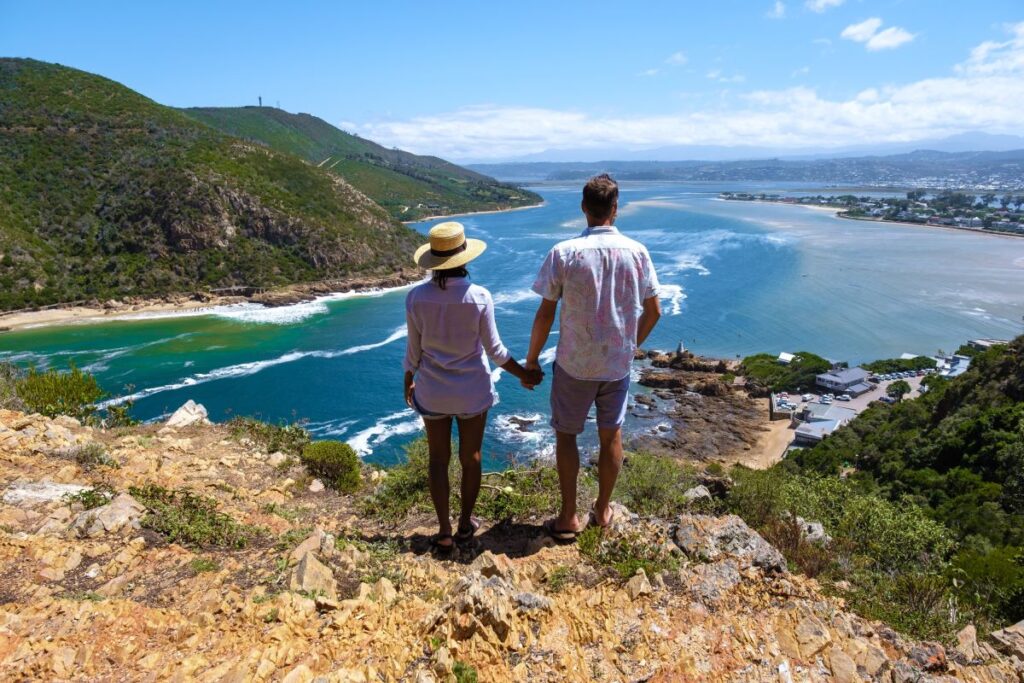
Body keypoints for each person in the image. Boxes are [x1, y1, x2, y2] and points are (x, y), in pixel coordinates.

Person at [526, 174, 662, 541]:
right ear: (615, 209)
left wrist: (532, 360)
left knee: (567, 435)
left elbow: (545, 314)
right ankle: (602, 510)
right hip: (616, 365)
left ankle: (568, 516)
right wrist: (631, 345)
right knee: (610, 435)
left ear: (584, 207)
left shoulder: (563, 253)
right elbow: (654, 312)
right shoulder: (638, 252)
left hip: (574, 363)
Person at [404, 221, 543, 551]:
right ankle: (466, 525)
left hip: (433, 391)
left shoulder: (415, 298)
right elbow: (496, 352)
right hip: (472, 392)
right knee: (472, 457)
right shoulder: (480, 297)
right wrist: (524, 373)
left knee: (437, 460)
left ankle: (443, 530)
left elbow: (414, 350)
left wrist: (408, 380)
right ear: (464, 257)